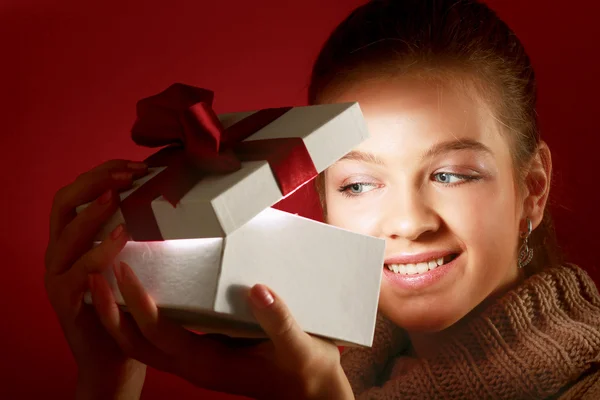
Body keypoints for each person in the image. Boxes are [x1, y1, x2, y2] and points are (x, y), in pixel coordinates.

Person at [44, 0, 600, 399]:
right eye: (358, 184)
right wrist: (107, 379)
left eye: (452, 174)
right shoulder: (341, 372)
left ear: (532, 189)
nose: (406, 222)